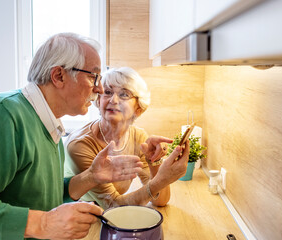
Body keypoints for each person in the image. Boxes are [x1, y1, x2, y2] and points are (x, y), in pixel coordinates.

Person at [0, 33, 145, 240]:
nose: (99, 88)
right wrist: (43, 223)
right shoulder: (3, 115)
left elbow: (42, 195)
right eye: (93, 76)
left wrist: (91, 177)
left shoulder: (50, 124)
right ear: (58, 76)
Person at [65, 67, 190, 210]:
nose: (113, 100)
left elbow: (160, 201)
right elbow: (112, 205)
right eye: (107, 92)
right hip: (80, 219)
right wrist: (162, 180)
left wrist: (155, 162)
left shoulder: (138, 137)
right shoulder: (81, 145)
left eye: (124, 94)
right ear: (98, 101)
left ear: (139, 108)